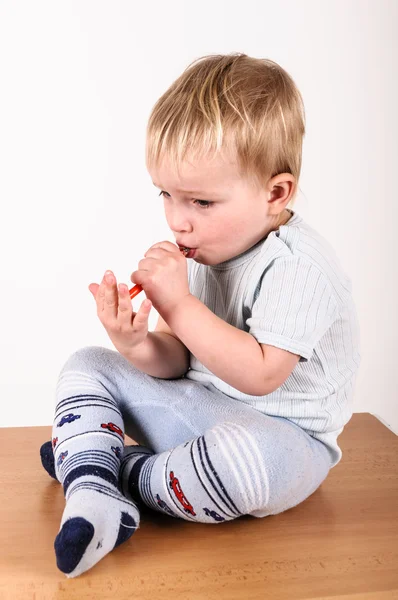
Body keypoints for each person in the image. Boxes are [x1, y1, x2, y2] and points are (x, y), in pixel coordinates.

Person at [40, 52, 360, 578]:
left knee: (250, 461)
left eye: (201, 202)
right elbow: (176, 362)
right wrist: (135, 343)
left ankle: (111, 471)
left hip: (280, 442)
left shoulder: (299, 268)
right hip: (199, 416)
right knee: (86, 362)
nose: (177, 220)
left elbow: (260, 375)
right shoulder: (206, 251)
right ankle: (97, 493)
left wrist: (179, 303)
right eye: (166, 194)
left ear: (275, 193)